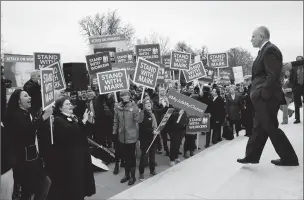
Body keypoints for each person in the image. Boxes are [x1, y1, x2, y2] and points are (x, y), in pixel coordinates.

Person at [237, 26, 299, 166]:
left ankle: (289, 159)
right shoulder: (264, 51)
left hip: (267, 97)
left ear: (261, 37)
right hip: (265, 97)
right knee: (259, 127)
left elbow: (273, 75)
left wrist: (262, 94)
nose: (251, 39)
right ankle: (251, 156)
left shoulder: (270, 50)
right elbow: (265, 73)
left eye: (253, 36)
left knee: (271, 128)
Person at [4, 89, 52, 200]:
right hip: (25, 159)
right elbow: (27, 132)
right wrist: (44, 117)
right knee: (40, 185)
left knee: (39, 185)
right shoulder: (17, 115)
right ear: (19, 101)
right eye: (25, 96)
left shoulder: (25, 113)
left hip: (31, 156)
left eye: (29, 95)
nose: (29, 97)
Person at [49, 96, 96, 200]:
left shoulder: (73, 117)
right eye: (67, 104)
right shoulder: (58, 120)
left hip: (81, 155)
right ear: (60, 108)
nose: (70, 105)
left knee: (82, 183)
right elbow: (71, 134)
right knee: (74, 185)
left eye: (70, 104)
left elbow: (84, 133)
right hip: (71, 159)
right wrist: (82, 121)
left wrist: (89, 120)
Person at [113, 90, 144, 186]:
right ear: (121, 97)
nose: (126, 96)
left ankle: (133, 176)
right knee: (125, 157)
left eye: (127, 95)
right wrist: (114, 132)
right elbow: (115, 121)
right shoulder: (117, 107)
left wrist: (140, 110)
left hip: (131, 136)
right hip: (121, 137)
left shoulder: (133, 107)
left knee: (131, 157)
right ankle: (127, 175)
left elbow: (139, 120)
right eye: (124, 95)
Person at [138, 99, 159, 181]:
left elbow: (155, 125)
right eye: (146, 103)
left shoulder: (152, 113)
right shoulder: (142, 114)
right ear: (144, 105)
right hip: (145, 139)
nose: (148, 104)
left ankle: (152, 170)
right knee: (144, 156)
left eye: (149, 102)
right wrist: (152, 131)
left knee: (152, 156)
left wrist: (156, 131)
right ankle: (141, 173)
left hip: (153, 138)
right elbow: (142, 126)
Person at [289, 56, 304, 124]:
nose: (299, 62)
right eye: (297, 60)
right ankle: (297, 119)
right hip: (297, 87)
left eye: (300, 60)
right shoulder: (293, 69)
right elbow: (290, 79)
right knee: (296, 104)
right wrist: (293, 87)